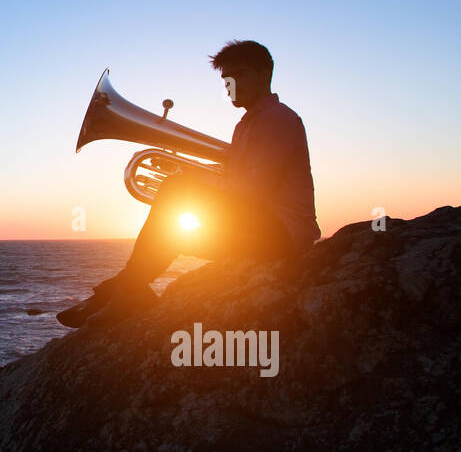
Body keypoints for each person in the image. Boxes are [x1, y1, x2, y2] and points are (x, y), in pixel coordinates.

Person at [58, 40, 321, 328]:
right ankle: (124, 291)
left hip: (282, 234)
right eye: (226, 79)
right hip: (261, 227)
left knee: (174, 192)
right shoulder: (248, 124)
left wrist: (187, 177)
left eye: (239, 75)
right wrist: (184, 170)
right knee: (170, 232)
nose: (230, 85)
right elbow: (237, 175)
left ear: (263, 74)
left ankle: (124, 293)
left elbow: (251, 190)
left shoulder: (277, 119)